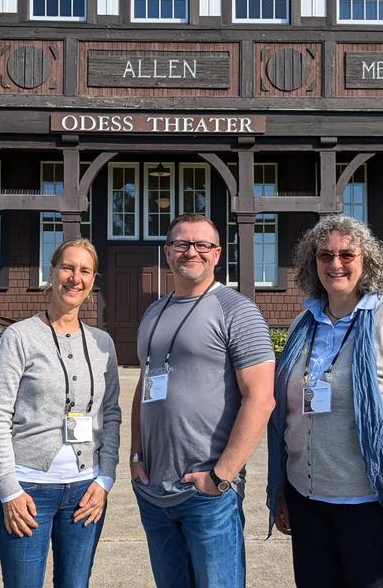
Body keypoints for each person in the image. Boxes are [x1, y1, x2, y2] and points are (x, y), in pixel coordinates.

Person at [267, 215, 383, 588]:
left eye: (347, 254)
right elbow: (289, 415)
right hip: (309, 502)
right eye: (324, 255)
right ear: (311, 262)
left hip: (373, 508)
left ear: (367, 262)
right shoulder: (306, 323)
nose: (335, 264)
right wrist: (283, 490)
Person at [131, 213, 276, 588]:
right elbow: (144, 386)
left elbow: (260, 399)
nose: (190, 252)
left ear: (217, 254)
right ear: (167, 253)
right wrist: (135, 457)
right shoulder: (152, 312)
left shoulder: (236, 310)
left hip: (207, 496)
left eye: (201, 245)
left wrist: (220, 477)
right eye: (181, 244)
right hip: (154, 492)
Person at [0, 238, 121, 588]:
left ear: (92, 281)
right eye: (68, 267)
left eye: (85, 270)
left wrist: (105, 478)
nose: (75, 277)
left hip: (84, 492)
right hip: (29, 490)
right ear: (53, 272)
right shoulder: (19, 337)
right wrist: (9, 488)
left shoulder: (103, 343)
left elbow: (112, 413)